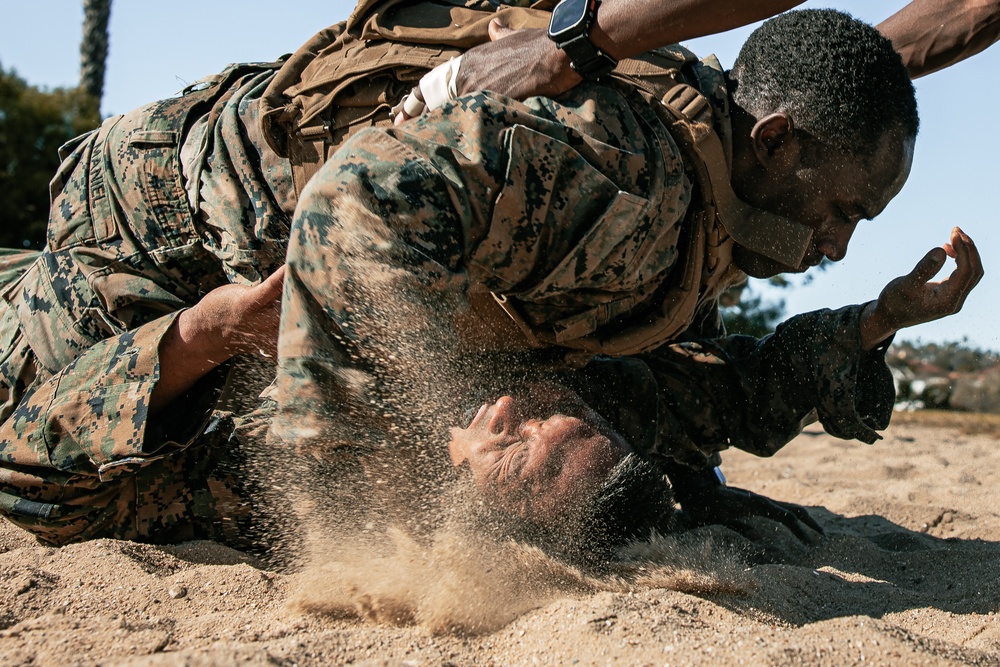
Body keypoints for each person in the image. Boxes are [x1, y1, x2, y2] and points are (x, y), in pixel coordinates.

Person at [0, 2, 984, 553]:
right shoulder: (633, 188)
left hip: (168, 302)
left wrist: (876, 321)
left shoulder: (718, 182)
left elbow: (699, 392)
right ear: (772, 142)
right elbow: (357, 200)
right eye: (844, 211)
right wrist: (330, 485)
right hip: (151, 216)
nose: (838, 246)